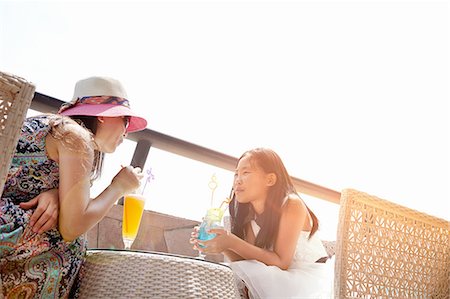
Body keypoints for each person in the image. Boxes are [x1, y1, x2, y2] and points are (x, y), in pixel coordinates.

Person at [0, 76, 148, 298]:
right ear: (103, 116)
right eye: (125, 121)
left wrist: (56, 195)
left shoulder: (58, 128)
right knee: (67, 240)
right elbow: (72, 227)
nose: (126, 133)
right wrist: (118, 187)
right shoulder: (76, 137)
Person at [191, 148, 333, 299]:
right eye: (236, 174)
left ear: (270, 180)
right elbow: (250, 263)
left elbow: (281, 262)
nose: (238, 180)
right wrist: (222, 245)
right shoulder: (250, 218)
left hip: (311, 282)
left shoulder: (292, 204)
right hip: (280, 280)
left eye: (246, 173)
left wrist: (231, 241)